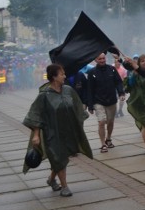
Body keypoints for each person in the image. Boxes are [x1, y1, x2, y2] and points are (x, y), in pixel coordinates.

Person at [23, 64, 93, 197]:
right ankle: (64, 187)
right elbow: (35, 114)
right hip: (52, 133)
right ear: (54, 77)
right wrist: (36, 135)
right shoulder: (44, 96)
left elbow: (77, 105)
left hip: (68, 131)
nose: (64, 76)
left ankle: (51, 179)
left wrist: (82, 115)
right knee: (58, 157)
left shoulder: (68, 90)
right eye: (62, 74)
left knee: (62, 158)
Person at [86, 52, 125, 153]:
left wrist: (121, 93)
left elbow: (118, 82)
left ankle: (108, 138)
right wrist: (90, 105)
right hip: (98, 101)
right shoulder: (92, 72)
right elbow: (89, 90)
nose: (102, 60)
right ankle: (103, 144)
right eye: (100, 59)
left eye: (103, 58)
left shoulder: (111, 69)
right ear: (95, 60)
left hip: (111, 100)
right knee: (101, 122)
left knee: (110, 122)